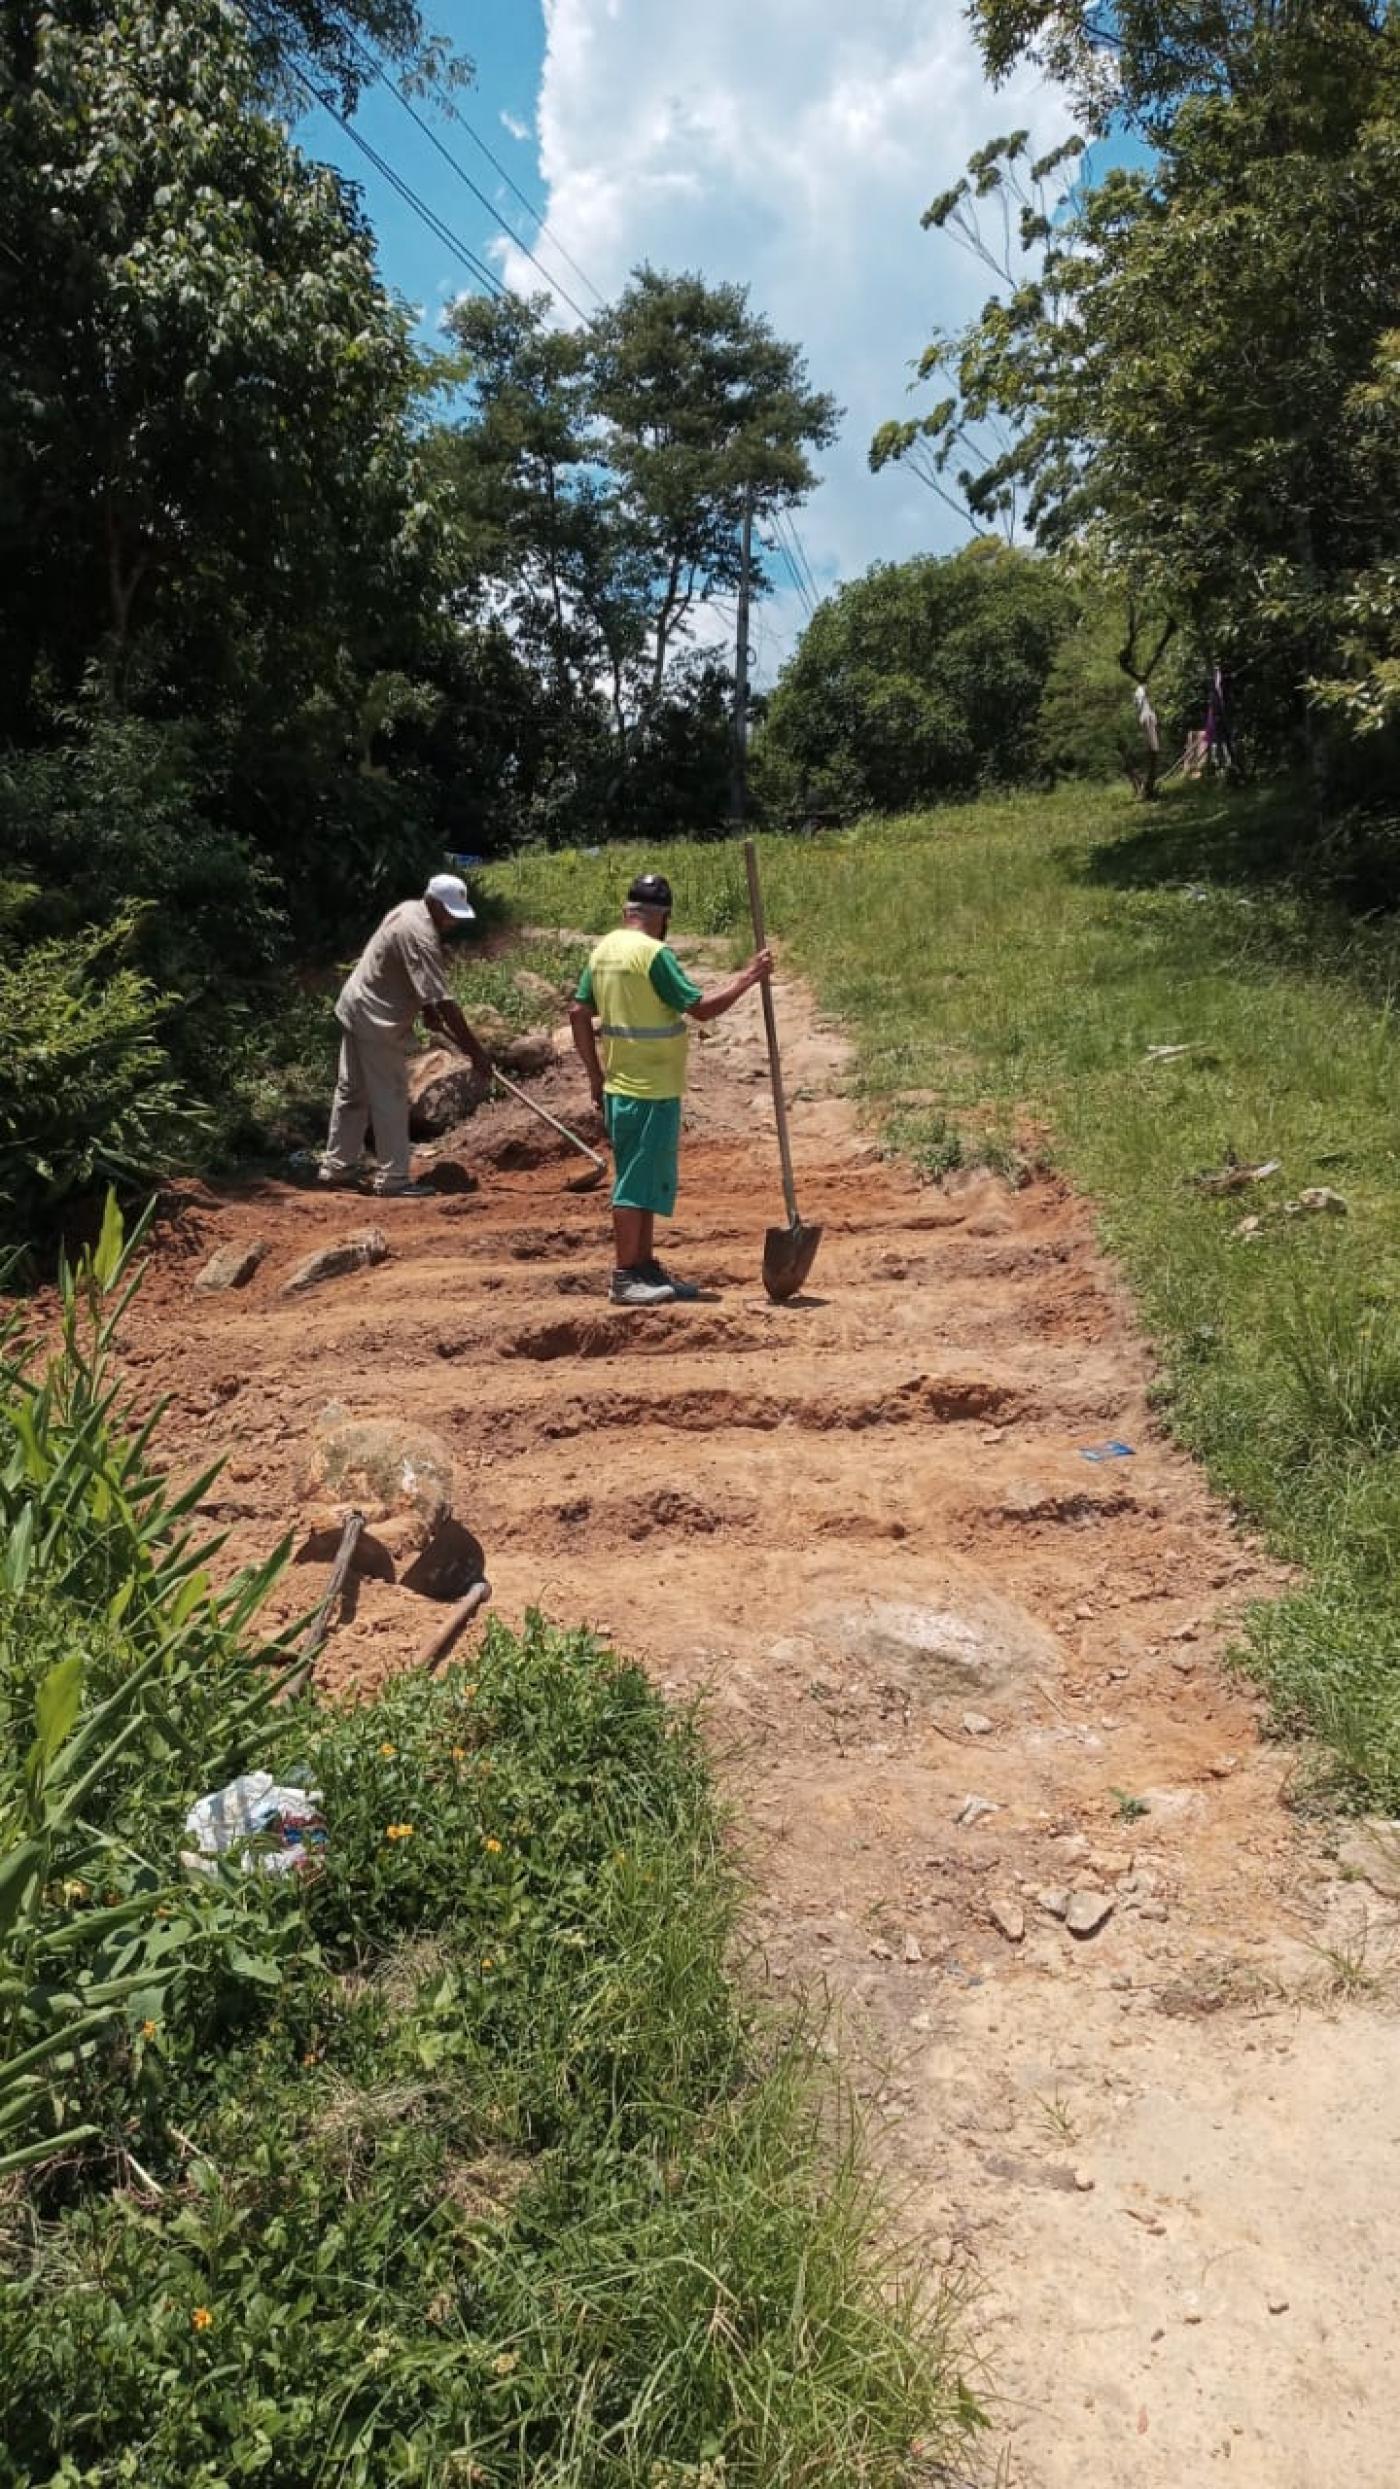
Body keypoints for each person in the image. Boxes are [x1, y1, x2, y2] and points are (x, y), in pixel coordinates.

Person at [569, 872, 772, 1305]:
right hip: (649, 1087)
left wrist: (594, 1074)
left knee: (643, 1182)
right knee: (633, 1184)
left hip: (622, 1083)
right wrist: (748, 977)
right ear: (662, 918)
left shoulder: (603, 951)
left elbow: (576, 1012)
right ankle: (626, 1275)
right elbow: (701, 1009)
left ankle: (643, 1266)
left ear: (627, 912)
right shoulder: (654, 955)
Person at [319, 874, 493, 1199]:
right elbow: (445, 1002)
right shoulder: (421, 933)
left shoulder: (409, 909)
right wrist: (476, 1052)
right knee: (391, 1096)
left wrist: (426, 1010)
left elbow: (413, 978)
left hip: (356, 1005)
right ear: (436, 903)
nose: (454, 921)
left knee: (352, 1090)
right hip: (375, 1018)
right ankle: (394, 1179)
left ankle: (337, 1166)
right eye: (452, 912)